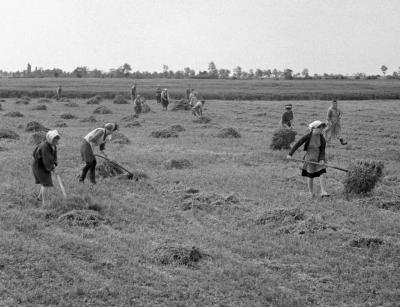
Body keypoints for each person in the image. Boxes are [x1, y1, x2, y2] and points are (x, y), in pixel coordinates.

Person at [287, 120, 329, 198]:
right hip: (309, 159)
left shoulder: (322, 138)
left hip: (319, 158)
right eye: (319, 128)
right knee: (310, 176)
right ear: (314, 128)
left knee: (323, 173)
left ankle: (323, 192)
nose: (321, 130)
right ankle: (311, 193)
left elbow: (323, 150)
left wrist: (322, 159)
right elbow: (298, 144)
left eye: (322, 128)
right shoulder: (308, 136)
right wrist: (290, 154)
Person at [32, 130, 60, 205]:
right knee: (46, 183)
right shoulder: (44, 147)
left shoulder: (53, 146)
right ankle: (44, 203)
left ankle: (39, 198)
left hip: (44, 165)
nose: (56, 140)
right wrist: (52, 168)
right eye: (54, 139)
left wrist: (55, 164)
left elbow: (54, 157)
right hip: (39, 166)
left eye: (57, 138)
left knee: (45, 183)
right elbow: (46, 160)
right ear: (49, 139)